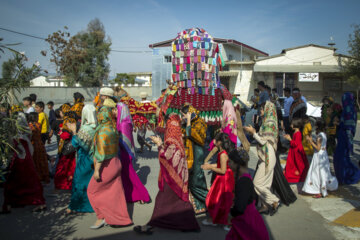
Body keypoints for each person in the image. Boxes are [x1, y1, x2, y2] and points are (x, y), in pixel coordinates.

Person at [133, 114, 200, 234]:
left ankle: (154, 223)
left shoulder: (170, 140)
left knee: (162, 200)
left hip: (171, 178)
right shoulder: (178, 138)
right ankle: (187, 224)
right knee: (179, 202)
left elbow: (165, 157)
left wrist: (159, 144)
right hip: (179, 177)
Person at [87, 99, 132, 229]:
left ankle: (101, 216)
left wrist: (96, 170)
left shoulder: (102, 131)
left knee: (92, 190)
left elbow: (100, 154)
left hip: (106, 165)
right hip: (115, 163)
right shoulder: (112, 128)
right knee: (115, 192)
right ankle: (121, 219)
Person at [2, 106, 46, 213]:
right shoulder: (26, 133)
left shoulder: (16, 136)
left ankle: (9, 204)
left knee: (13, 182)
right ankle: (36, 202)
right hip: (26, 161)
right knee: (30, 181)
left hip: (18, 162)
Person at [244, 101, 280, 215]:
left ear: (268, 110)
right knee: (264, 184)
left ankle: (274, 200)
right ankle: (265, 206)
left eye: (262, 108)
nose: (260, 110)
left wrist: (253, 133)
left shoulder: (269, 123)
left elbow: (263, 141)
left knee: (257, 183)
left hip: (267, 156)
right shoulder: (266, 122)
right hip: (265, 156)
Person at [225, 149, 270, 240]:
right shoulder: (246, 176)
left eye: (230, 162)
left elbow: (240, 208)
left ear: (237, 164)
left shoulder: (244, 181)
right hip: (248, 218)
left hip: (247, 221)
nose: (228, 164)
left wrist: (231, 212)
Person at [64, 104, 97, 214]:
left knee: (79, 182)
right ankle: (94, 204)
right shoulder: (97, 127)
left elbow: (77, 143)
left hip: (84, 160)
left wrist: (74, 131)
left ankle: (78, 206)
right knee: (92, 183)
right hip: (95, 159)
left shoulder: (85, 128)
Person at [116, 102, 150, 203]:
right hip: (124, 151)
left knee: (131, 175)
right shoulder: (125, 122)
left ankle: (143, 195)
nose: (114, 111)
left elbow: (124, 141)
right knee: (125, 176)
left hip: (125, 152)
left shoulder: (123, 124)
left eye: (116, 109)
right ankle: (131, 196)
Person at [201, 133, 235, 227]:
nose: (214, 141)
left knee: (216, 200)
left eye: (216, 140)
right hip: (224, 177)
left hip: (223, 179)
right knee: (220, 201)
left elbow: (222, 170)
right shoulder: (223, 152)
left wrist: (210, 168)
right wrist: (209, 166)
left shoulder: (222, 154)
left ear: (220, 142)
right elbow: (220, 165)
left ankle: (217, 220)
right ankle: (216, 218)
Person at [180, 104, 208, 214]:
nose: (182, 117)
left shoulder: (199, 122)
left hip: (197, 154)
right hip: (190, 154)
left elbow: (199, 139)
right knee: (191, 181)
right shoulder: (190, 122)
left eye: (183, 115)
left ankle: (213, 201)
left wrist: (187, 124)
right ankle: (200, 206)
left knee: (197, 181)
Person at [302, 120, 338, 198]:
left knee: (317, 173)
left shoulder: (319, 136)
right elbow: (321, 145)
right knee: (324, 173)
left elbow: (318, 148)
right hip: (324, 155)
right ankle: (324, 188)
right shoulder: (324, 134)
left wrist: (310, 141)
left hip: (318, 156)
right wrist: (313, 141)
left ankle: (319, 190)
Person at [333, 92, 360, 185]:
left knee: (342, 158)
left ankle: (349, 176)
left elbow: (349, 125)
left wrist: (338, 123)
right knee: (340, 158)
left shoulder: (349, 109)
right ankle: (342, 177)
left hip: (345, 137)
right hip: (342, 136)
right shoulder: (346, 109)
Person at [54, 104, 76, 190]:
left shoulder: (67, 120)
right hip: (72, 147)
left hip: (66, 147)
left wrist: (60, 133)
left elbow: (66, 135)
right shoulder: (73, 120)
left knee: (64, 166)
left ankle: (63, 184)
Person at [283, 118, 309, 183]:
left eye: (292, 124)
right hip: (294, 150)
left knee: (297, 164)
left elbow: (296, 143)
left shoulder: (298, 133)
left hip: (297, 151)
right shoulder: (296, 132)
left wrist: (290, 139)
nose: (291, 125)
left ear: (295, 124)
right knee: (293, 163)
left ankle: (297, 176)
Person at [27, 112, 50, 183]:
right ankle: (43, 175)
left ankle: (36, 176)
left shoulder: (30, 126)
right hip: (39, 144)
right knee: (41, 160)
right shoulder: (38, 125)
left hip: (33, 144)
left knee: (35, 160)